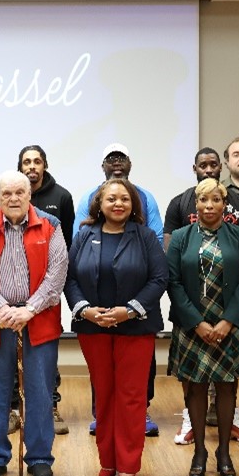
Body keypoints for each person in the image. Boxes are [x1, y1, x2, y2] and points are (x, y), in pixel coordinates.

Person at [0, 171, 67, 476]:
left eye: (19, 192)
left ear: (30, 194)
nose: (13, 198)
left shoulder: (51, 226)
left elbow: (57, 271)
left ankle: (38, 459)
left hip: (39, 321)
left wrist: (30, 309)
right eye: (6, 193)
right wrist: (3, 308)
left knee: (39, 393)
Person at [66, 178, 167, 476]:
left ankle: (128, 463)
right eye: (111, 199)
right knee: (105, 396)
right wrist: (85, 309)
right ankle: (107, 460)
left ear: (134, 204)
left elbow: (159, 278)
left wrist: (130, 310)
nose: (118, 203)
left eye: (124, 198)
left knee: (132, 397)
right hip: (92, 328)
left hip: (136, 327)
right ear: (100, 204)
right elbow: (69, 279)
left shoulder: (146, 236)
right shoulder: (84, 236)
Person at [162, 147, 239, 446]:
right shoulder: (182, 235)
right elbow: (174, 280)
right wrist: (197, 322)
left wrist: (228, 321)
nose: (209, 205)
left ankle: (224, 449)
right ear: (195, 203)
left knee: (227, 387)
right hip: (193, 323)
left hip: (229, 324)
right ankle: (197, 446)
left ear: (225, 203)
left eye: (216, 199)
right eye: (203, 200)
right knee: (194, 387)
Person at [74, 142, 162, 436]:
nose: (116, 163)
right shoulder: (88, 200)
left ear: (130, 163)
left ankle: (141, 412)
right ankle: (102, 414)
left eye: (121, 157)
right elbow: (78, 248)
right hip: (96, 306)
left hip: (136, 301)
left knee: (137, 375)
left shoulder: (144, 197)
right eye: (110, 158)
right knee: (102, 376)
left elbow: (155, 242)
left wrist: (133, 306)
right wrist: (87, 307)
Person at [0, 145, 76, 435]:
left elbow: (65, 248)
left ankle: (49, 407)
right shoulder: (2, 199)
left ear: (45, 164)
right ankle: (16, 409)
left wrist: (37, 302)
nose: (32, 166)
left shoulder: (61, 197)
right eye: (26, 161)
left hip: (43, 300)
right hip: (5, 304)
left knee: (43, 361)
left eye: (37, 161)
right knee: (10, 361)